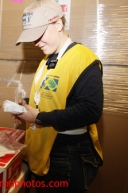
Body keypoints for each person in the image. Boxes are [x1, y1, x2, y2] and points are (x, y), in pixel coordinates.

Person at [12, 0, 103, 192]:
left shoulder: (84, 60)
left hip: (68, 153)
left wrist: (37, 117)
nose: (36, 42)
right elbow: (49, 98)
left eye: (39, 35)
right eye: (32, 37)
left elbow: (90, 111)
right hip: (45, 149)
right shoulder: (47, 60)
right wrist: (25, 106)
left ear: (59, 24)